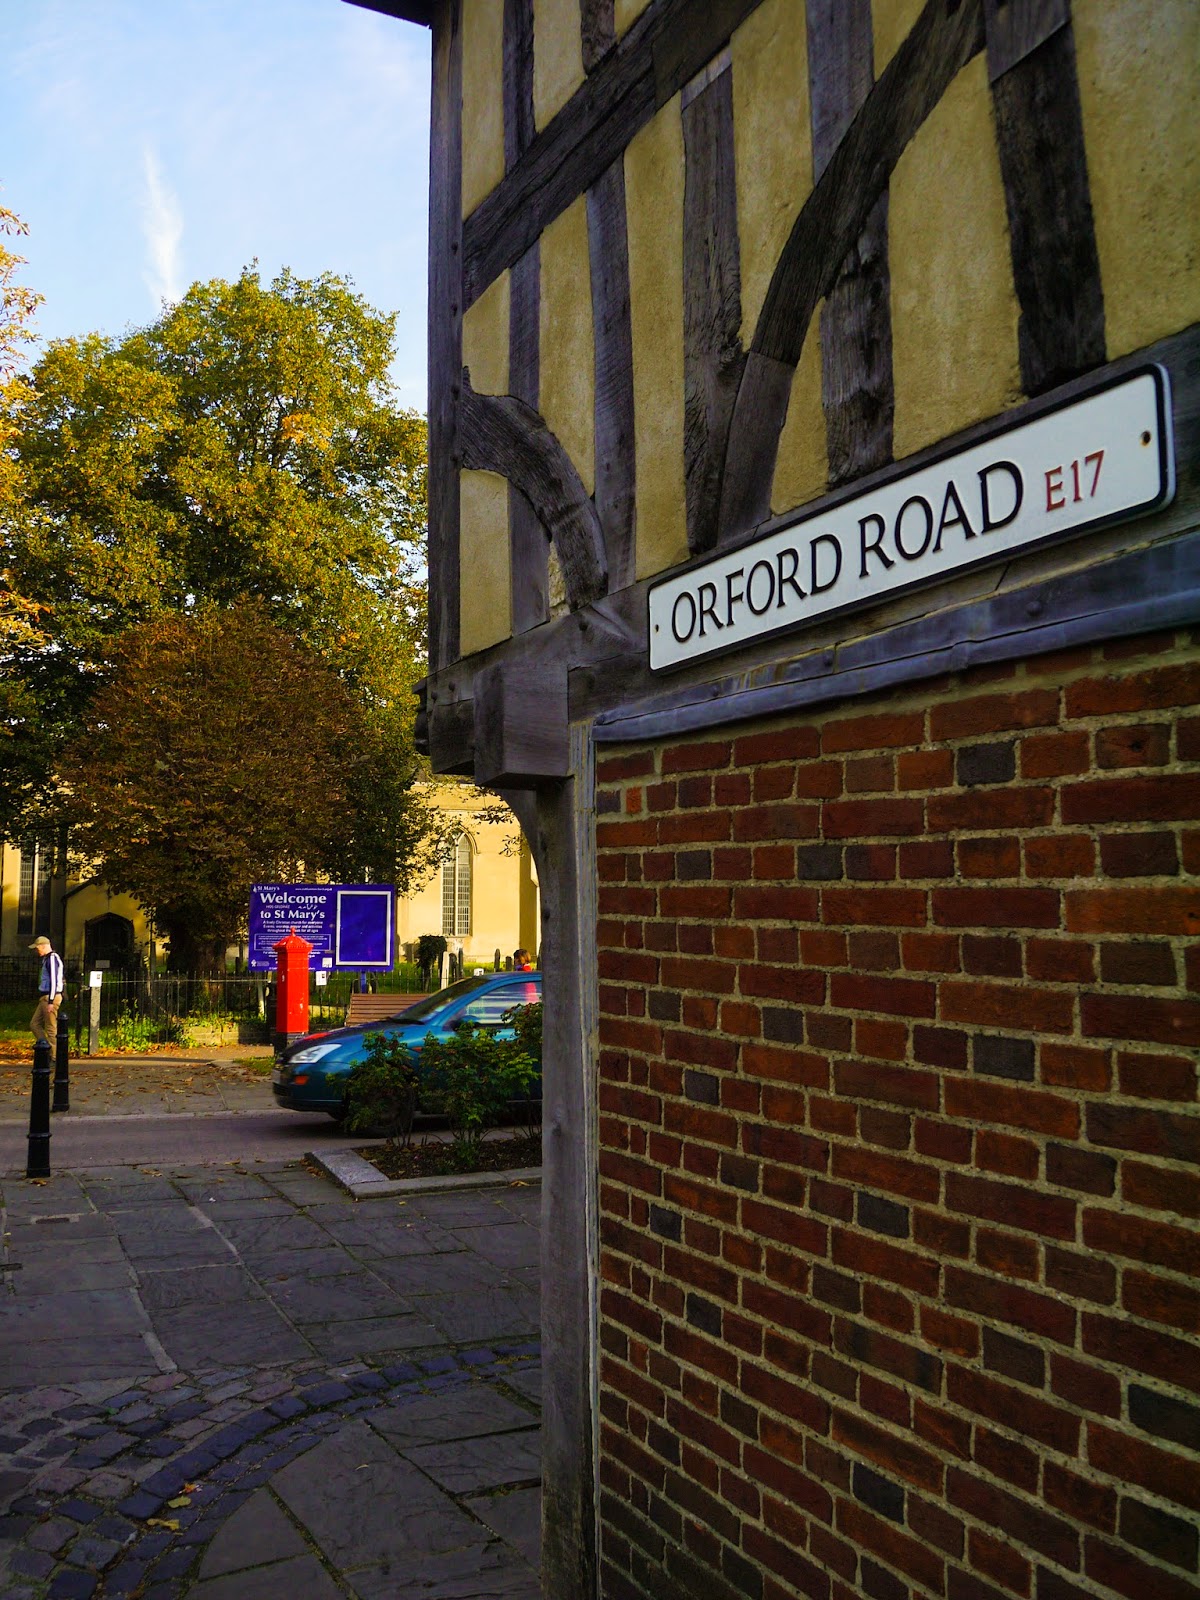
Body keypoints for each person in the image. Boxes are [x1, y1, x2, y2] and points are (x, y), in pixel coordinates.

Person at [29, 935, 64, 1044]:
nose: (37, 951)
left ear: (43, 946)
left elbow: (54, 980)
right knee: (34, 1024)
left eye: (37, 948)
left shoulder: (52, 959)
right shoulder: (47, 959)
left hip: (50, 996)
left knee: (50, 1028)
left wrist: (51, 1001)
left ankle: (54, 1053)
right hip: (45, 997)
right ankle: (45, 1047)